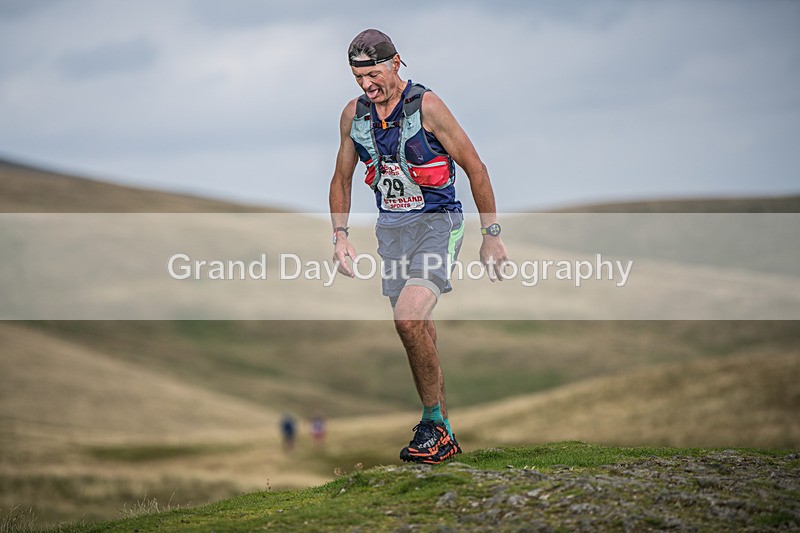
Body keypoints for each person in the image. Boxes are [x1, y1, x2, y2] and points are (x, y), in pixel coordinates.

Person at [329, 29, 508, 464]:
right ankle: (443, 432)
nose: (367, 86)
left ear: (396, 63)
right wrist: (340, 236)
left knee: (408, 318)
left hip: (436, 225)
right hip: (392, 232)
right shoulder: (353, 116)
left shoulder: (428, 107)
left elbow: (475, 167)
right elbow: (342, 178)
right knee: (418, 326)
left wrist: (492, 236)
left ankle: (431, 421)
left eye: (373, 75)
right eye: (357, 78)